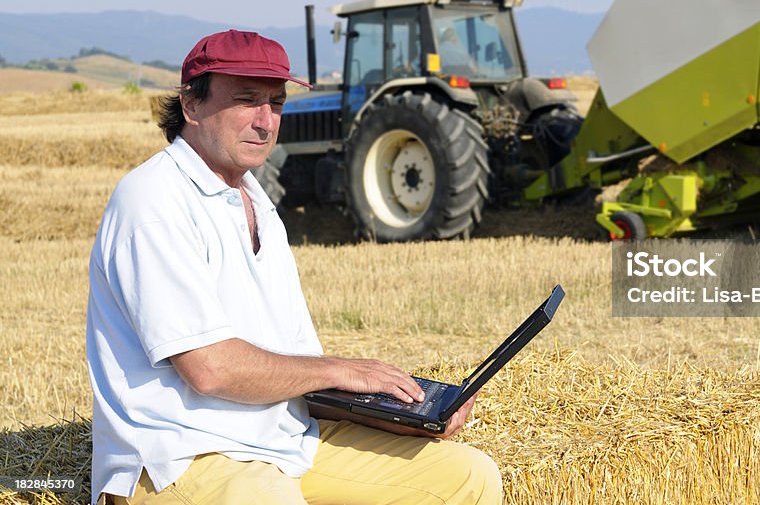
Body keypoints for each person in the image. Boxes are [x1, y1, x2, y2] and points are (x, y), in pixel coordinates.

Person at [86, 30, 501, 505]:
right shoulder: (153, 199)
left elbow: (299, 373)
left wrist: (400, 411)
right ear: (191, 105)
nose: (266, 122)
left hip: (284, 442)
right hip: (182, 456)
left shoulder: (259, 203)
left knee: (469, 476)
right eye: (247, 101)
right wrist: (343, 370)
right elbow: (209, 369)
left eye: (276, 103)